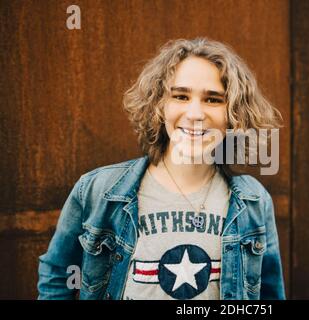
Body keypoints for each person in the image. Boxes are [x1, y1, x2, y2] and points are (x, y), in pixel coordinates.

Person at [37, 38, 285, 300]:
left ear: (234, 113)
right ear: (159, 105)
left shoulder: (254, 201)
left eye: (213, 99)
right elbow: (57, 276)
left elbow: (269, 294)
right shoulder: (98, 191)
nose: (195, 113)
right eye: (180, 96)